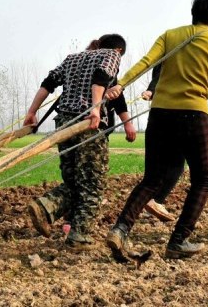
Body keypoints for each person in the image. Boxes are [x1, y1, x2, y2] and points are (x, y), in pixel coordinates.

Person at [104, 0, 208, 259]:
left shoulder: (170, 36)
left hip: (160, 116)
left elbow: (147, 63)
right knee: (203, 180)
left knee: (152, 179)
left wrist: (121, 85)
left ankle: (120, 229)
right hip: (193, 117)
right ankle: (178, 240)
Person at [24, 34, 131, 250]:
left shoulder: (73, 58)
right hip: (87, 125)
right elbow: (100, 79)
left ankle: (45, 207)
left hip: (63, 123)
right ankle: (79, 236)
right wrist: (94, 109)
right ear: (119, 51)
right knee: (92, 184)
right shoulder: (111, 56)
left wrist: (32, 111)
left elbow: (48, 83)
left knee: (74, 180)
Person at [138, 63, 176, 223]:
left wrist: (151, 91)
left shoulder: (164, 55)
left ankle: (148, 203)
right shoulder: (178, 55)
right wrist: (151, 90)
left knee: (154, 167)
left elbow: (157, 78)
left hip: (156, 115)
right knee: (177, 164)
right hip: (176, 114)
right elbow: (159, 78)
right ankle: (156, 201)